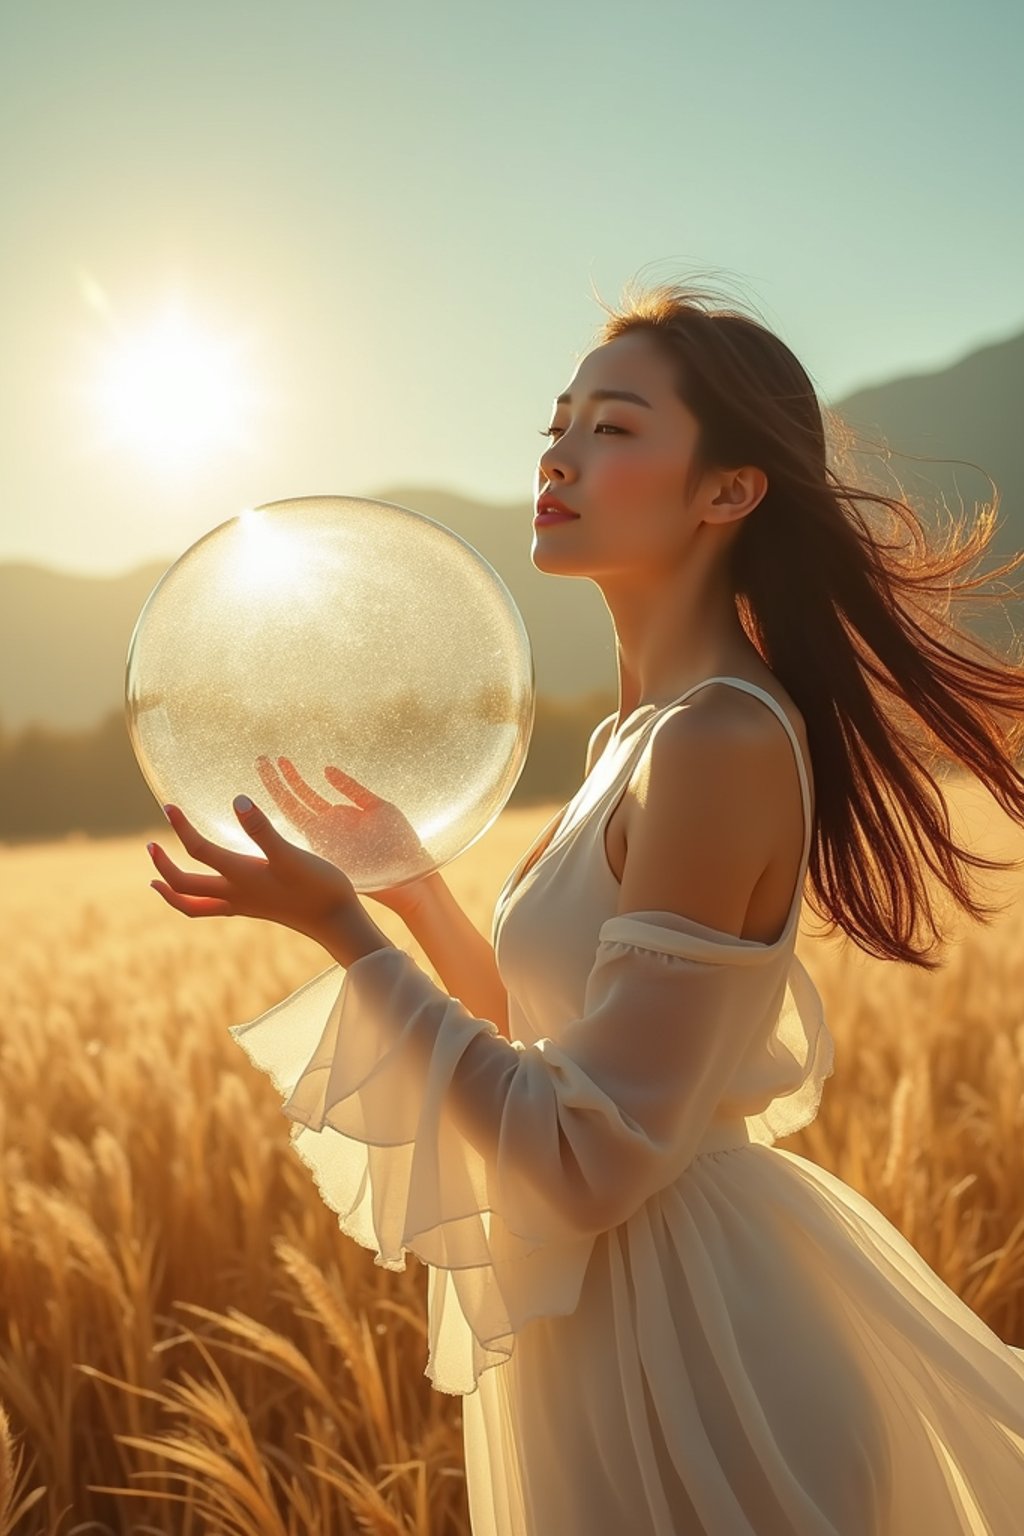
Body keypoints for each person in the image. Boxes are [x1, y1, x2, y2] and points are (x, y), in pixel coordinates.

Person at [147, 278, 1024, 1534]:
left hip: (705, 1362)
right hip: (622, 1329)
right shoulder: (641, 733)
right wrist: (409, 892)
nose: (559, 453)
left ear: (729, 490)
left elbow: (586, 1159)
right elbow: (564, 1046)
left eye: (613, 427)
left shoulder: (719, 738)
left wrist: (337, 932)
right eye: (560, 422)